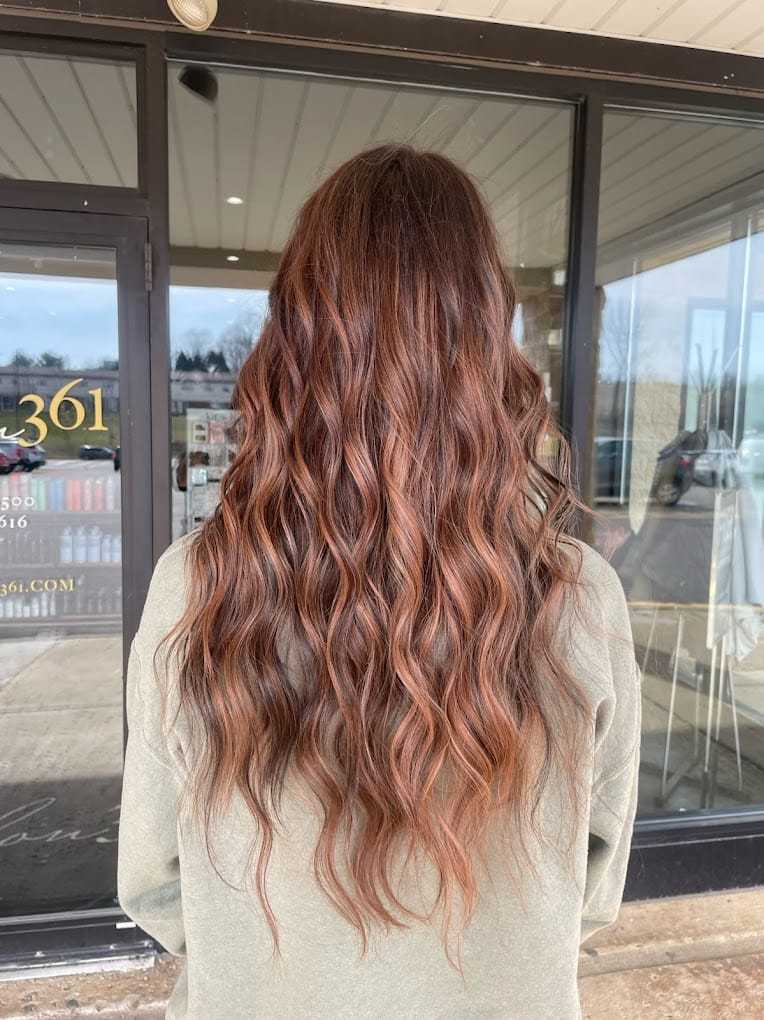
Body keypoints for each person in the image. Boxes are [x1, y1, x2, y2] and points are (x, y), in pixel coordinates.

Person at [117, 144, 641, 1020]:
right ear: (487, 341)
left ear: (295, 342)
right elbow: (593, 888)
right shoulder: (577, 596)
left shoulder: (197, 586)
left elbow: (153, 881)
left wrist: (278, 960)